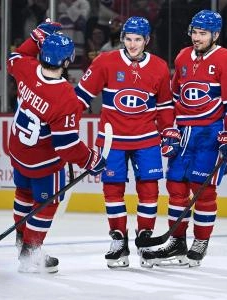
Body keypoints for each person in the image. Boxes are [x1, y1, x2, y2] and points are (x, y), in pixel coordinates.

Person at [143, 10, 227, 268]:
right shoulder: (182, 57)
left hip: (211, 132)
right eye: (195, 32)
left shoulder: (226, 59)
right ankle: (177, 240)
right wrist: (169, 129)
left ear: (215, 35)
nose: (197, 38)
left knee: (203, 189)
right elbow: (174, 97)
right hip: (185, 132)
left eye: (203, 34)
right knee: (176, 186)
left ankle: (200, 241)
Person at [75, 16, 174, 268]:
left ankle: (145, 238)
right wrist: (62, 121)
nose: (132, 44)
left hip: (146, 138)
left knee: (150, 189)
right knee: (112, 190)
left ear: (147, 40)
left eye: (138, 39)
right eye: (128, 39)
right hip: (112, 140)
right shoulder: (105, 62)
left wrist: (169, 132)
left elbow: (163, 107)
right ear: (122, 39)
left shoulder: (160, 67)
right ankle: (119, 239)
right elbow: (80, 98)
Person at [7, 21, 106, 274]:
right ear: (66, 62)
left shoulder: (26, 69)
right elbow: (66, 146)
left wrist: (35, 35)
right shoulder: (65, 97)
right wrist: (91, 160)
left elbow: (15, 56)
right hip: (44, 162)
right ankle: (31, 251)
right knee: (47, 203)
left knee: (23, 194)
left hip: (18, 153)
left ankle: (21, 240)